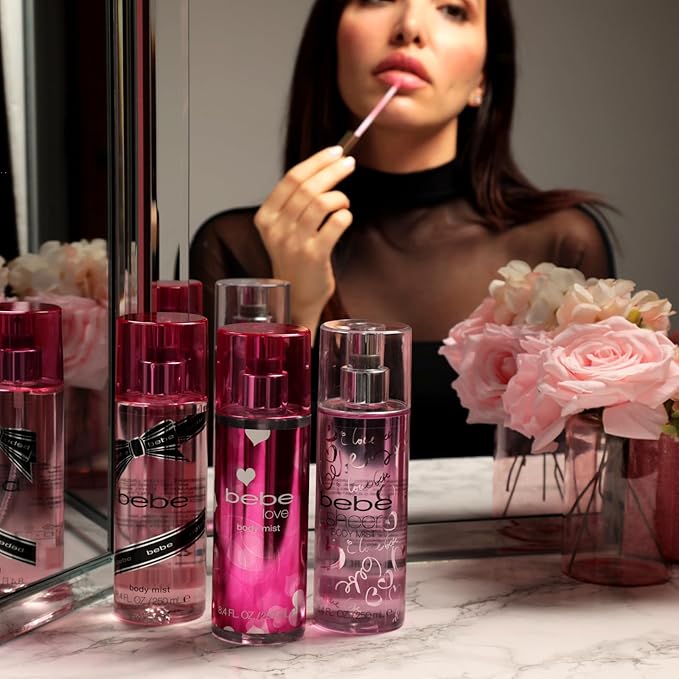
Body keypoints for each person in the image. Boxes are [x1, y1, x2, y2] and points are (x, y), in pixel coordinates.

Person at [190, 0, 615, 458]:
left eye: (452, 9)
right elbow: (236, 474)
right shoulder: (237, 248)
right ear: (331, 45)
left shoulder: (560, 247)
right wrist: (296, 313)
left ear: (483, 80)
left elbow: (590, 474)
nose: (409, 27)